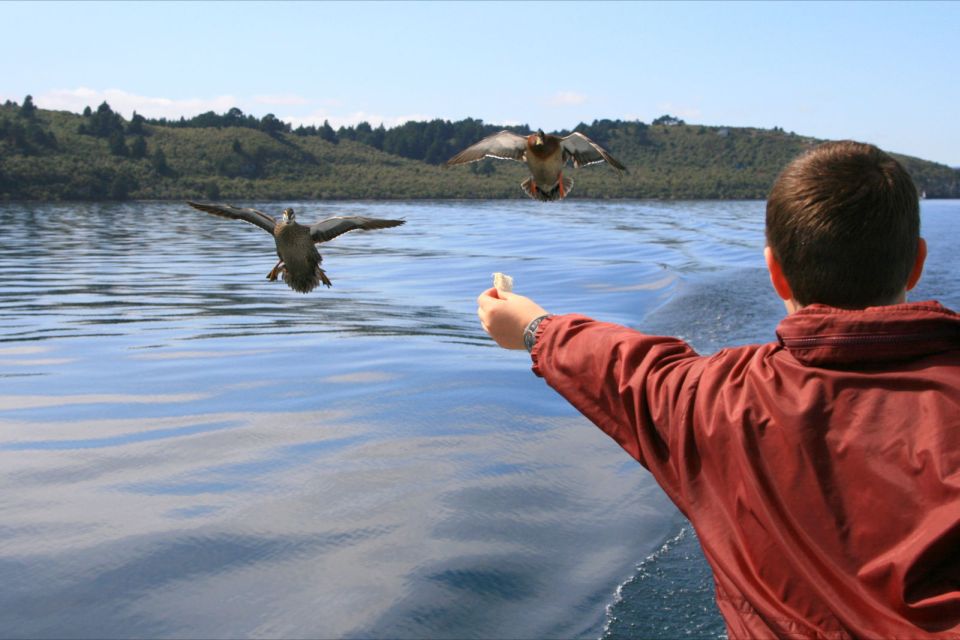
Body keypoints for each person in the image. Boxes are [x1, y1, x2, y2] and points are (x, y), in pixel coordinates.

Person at [476, 140, 960, 638]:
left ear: (774, 273)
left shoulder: (716, 400)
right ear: (916, 264)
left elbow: (621, 366)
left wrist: (534, 328)